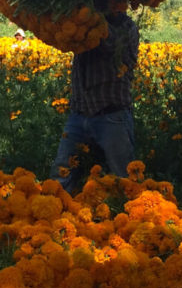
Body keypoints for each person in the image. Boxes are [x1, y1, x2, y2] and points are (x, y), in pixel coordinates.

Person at [50, 11, 139, 194]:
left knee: (123, 177)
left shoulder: (126, 28)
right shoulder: (83, 25)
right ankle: (55, 218)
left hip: (112, 115)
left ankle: (130, 218)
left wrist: (88, 17)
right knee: (61, 174)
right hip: (79, 114)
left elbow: (109, 43)